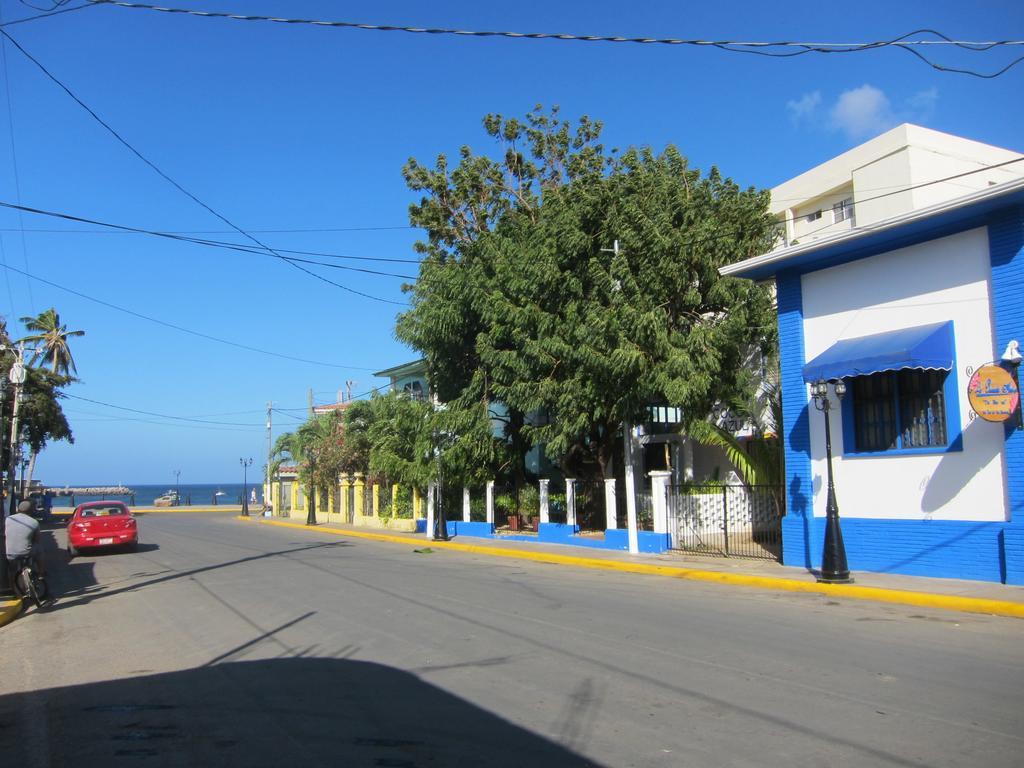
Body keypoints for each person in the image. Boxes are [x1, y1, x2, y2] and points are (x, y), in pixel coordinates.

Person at [6, 500, 44, 576]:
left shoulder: (8, 519)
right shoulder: (34, 522)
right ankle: (41, 574)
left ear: (18, 509)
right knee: (39, 550)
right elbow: (37, 540)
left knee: (11, 571)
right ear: (31, 510)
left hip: (10, 553)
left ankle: (12, 587)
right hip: (26, 553)